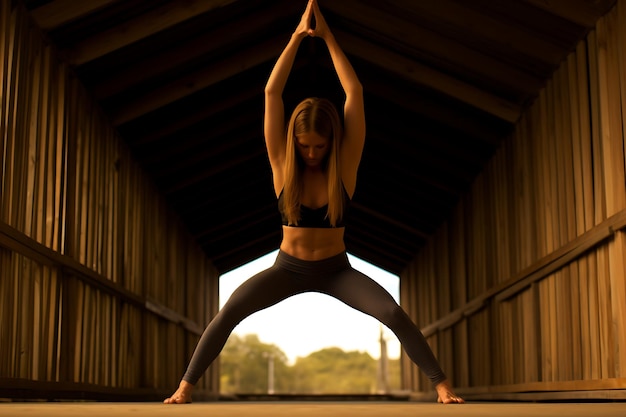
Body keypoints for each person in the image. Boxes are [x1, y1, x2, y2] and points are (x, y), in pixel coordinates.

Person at [164, 0, 464, 405]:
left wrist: (328, 39)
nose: (310, 152)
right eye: (304, 145)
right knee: (230, 311)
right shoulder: (282, 166)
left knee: (392, 313)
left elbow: (353, 91)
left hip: (336, 270)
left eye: (319, 146)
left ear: (331, 142)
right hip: (286, 269)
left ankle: (443, 386)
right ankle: (184, 388)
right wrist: (296, 39)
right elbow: (272, 92)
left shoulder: (345, 169)